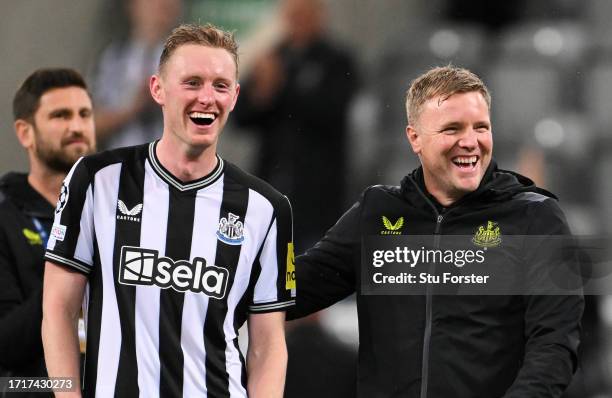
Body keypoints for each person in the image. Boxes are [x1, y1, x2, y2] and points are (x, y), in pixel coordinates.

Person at [289, 66, 583, 397]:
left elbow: (555, 343)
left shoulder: (534, 217)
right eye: (452, 129)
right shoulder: (376, 213)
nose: (470, 142)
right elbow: (289, 289)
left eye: (481, 127)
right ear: (415, 138)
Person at [42, 24, 294, 398]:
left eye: (220, 85)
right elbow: (59, 311)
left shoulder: (267, 208)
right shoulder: (97, 180)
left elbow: (268, 344)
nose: (207, 97)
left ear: (236, 96)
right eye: (192, 82)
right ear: (157, 89)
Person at [0, 68, 96, 394]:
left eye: (84, 114)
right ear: (25, 133)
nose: (77, 126)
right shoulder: (5, 218)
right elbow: (6, 343)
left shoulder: (119, 212)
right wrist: (70, 275)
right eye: (60, 115)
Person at [233, 0, 357, 251]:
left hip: (317, 192)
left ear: (318, 16)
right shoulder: (273, 58)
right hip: (270, 183)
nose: (297, 22)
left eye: (304, 14)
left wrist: (281, 86)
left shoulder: (337, 60)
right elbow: (241, 117)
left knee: (311, 268)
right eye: (292, 15)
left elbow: (330, 112)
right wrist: (261, 93)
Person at [91, 0, 182, 149]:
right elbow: (92, 123)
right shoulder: (113, 58)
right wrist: (132, 108)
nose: (162, 5)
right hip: (122, 162)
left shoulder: (183, 59)